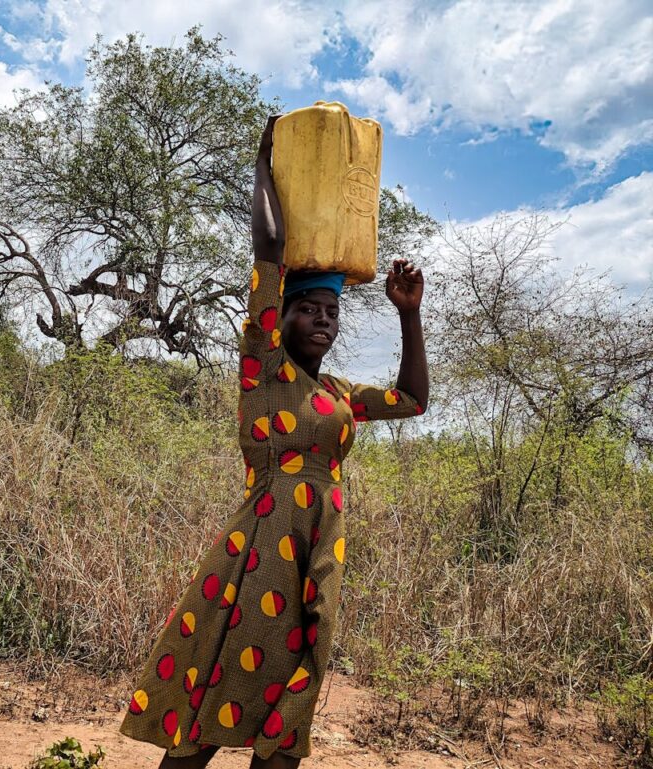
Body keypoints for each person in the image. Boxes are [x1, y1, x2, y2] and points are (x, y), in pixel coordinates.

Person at [118, 115, 429, 767]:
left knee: (293, 692)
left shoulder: (340, 395)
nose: (323, 319)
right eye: (308, 308)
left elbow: (412, 400)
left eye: (332, 311)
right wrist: (265, 164)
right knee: (218, 685)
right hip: (260, 550)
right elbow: (268, 249)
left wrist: (409, 315)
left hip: (315, 552)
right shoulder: (264, 368)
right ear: (280, 316)